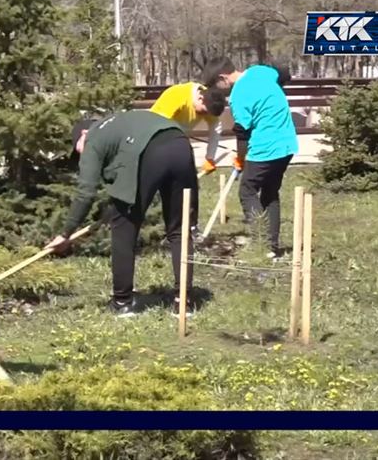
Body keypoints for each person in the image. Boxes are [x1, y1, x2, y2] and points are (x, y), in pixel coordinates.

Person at [45, 110, 199, 318]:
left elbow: (85, 192)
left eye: (77, 149)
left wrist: (65, 233)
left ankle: (122, 302)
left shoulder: (93, 136)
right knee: (179, 228)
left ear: (83, 133)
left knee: (124, 227)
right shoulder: (118, 122)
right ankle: (184, 303)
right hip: (181, 143)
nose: (80, 154)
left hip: (150, 150)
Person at [200, 57, 298, 258]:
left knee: (247, 191)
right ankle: (271, 247)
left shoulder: (238, 95)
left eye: (215, 86)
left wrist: (241, 159)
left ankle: (262, 243)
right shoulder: (260, 72)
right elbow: (283, 72)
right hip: (287, 143)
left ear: (223, 78)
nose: (218, 91)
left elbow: (242, 133)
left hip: (265, 147)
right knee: (270, 192)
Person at [149, 82, 227, 175]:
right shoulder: (177, 96)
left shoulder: (210, 102)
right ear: (200, 99)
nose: (205, 116)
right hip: (154, 136)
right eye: (204, 112)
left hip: (178, 137)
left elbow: (215, 129)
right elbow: (157, 126)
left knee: (188, 177)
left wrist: (210, 158)